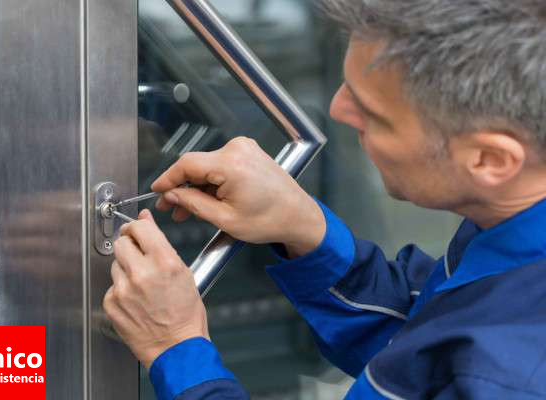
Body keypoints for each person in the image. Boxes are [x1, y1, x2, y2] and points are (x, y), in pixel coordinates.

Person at [103, 1, 546, 398]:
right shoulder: (511, 225)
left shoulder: (510, 375)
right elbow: (420, 356)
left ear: (490, 159)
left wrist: (178, 349)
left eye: (375, 115)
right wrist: (306, 231)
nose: (336, 110)